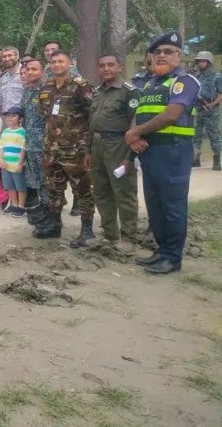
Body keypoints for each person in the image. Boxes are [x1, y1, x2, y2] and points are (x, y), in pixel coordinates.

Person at [126, 32, 200, 274]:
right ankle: (161, 250)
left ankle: (173, 257)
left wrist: (136, 132)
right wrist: (135, 135)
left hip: (173, 151)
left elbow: (172, 114)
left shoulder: (184, 81)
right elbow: (141, 113)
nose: (161, 55)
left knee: (172, 205)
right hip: (150, 152)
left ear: (179, 55)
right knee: (155, 204)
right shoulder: (150, 83)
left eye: (168, 51)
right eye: (157, 52)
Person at [35, 51, 95, 241]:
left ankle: (87, 230)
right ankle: (54, 224)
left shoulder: (80, 85)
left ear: (70, 63)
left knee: (82, 189)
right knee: (54, 188)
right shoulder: (46, 86)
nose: (57, 64)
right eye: (53, 62)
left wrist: (88, 146)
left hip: (75, 150)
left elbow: (92, 114)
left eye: (61, 61)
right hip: (51, 149)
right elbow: (45, 114)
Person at [87, 54, 141, 252]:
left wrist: (130, 157)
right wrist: (87, 150)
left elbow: (136, 125)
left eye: (111, 65)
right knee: (101, 192)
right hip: (97, 146)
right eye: (102, 65)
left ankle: (129, 239)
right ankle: (110, 235)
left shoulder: (129, 92)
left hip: (118, 145)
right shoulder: (97, 92)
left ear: (120, 67)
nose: (106, 68)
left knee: (124, 192)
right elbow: (90, 124)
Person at [21, 58, 49, 225]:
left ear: (42, 72)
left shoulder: (47, 91)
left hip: (43, 143)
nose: (30, 72)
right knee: (35, 178)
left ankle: (49, 211)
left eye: (34, 69)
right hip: (30, 143)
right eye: (28, 70)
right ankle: (42, 206)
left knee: (46, 179)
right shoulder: (27, 91)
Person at [193, 51, 221, 170]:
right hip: (199, 109)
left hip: (211, 110)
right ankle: (196, 159)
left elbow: (221, 94)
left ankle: (217, 160)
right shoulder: (196, 77)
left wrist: (213, 104)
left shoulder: (217, 76)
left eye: (203, 61)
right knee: (196, 135)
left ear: (209, 62)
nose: (201, 63)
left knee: (214, 135)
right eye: (199, 61)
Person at [0, 107, 27, 217]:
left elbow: (23, 149)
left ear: (20, 119)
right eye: (8, 116)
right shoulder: (5, 132)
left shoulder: (22, 132)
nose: (10, 118)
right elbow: (1, 147)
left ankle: (21, 207)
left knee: (20, 187)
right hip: (6, 165)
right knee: (10, 187)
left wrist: (20, 164)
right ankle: (14, 205)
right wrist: (0, 159)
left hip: (16, 165)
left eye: (14, 116)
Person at [0, 47, 24, 113]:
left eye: (10, 55)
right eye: (4, 57)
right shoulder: (3, 78)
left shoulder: (25, 74)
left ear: (17, 56)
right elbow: (1, 101)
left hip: (21, 117)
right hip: (5, 117)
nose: (7, 59)